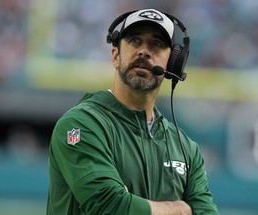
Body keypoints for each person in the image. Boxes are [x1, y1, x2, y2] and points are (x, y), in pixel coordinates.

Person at [46, 8, 219, 215]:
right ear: (116, 55)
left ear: (173, 63)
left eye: (156, 44)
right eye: (135, 40)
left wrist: (135, 205)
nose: (144, 51)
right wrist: (182, 210)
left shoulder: (185, 148)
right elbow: (111, 207)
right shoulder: (80, 124)